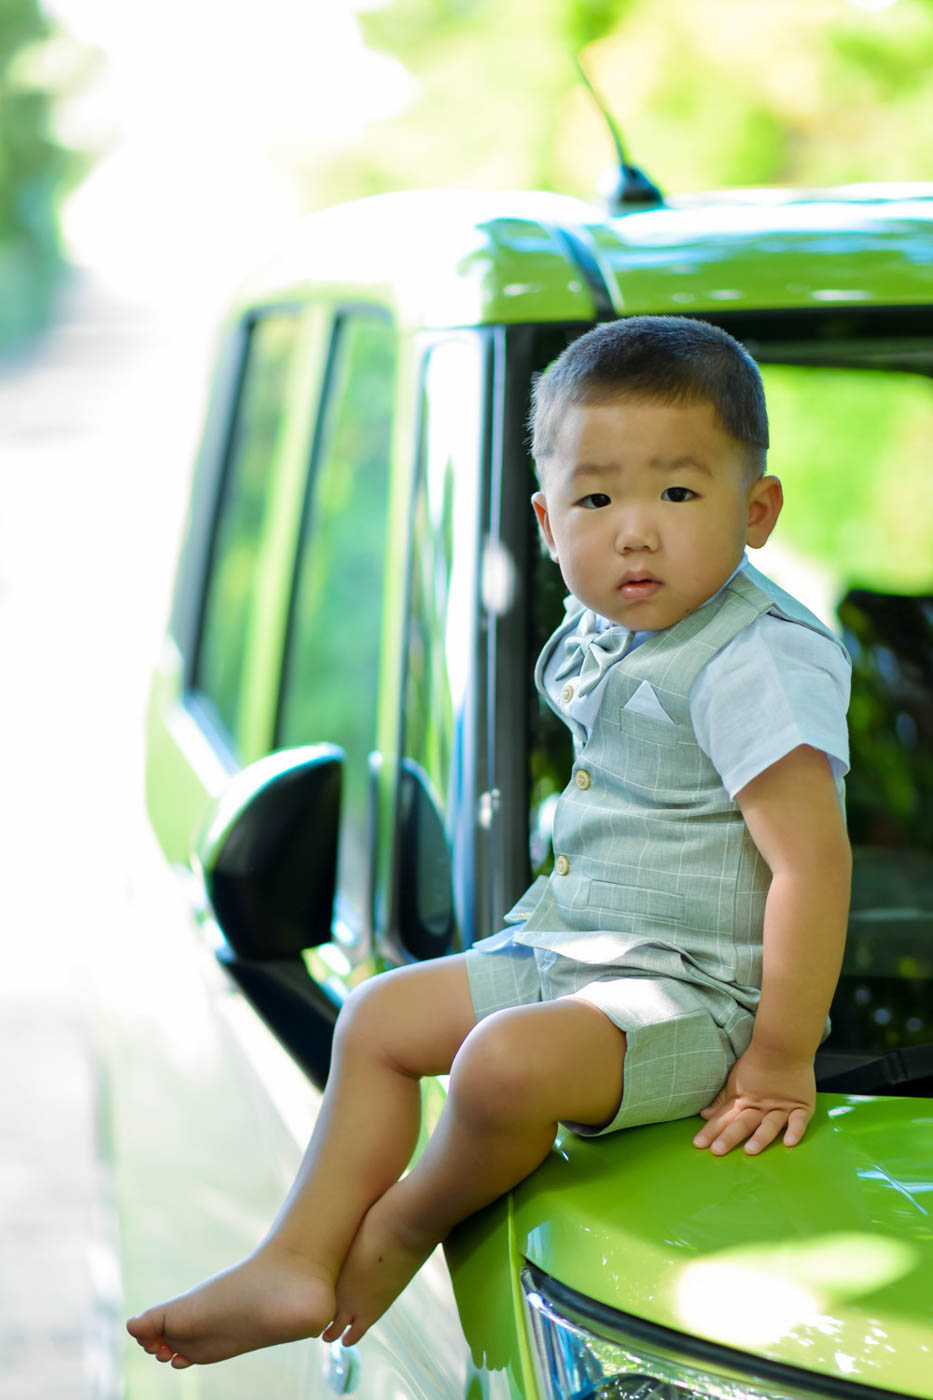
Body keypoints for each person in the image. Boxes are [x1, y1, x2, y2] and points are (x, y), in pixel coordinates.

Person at [126, 315, 852, 1369]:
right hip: (583, 953)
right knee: (377, 1016)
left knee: (501, 1063)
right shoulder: (619, 623)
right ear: (548, 524)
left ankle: (408, 1218)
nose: (634, 533)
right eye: (596, 501)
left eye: (676, 493)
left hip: (700, 998)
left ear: (757, 510)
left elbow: (809, 862)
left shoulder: (757, 661)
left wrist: (778, 1058)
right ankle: (293, 1255)